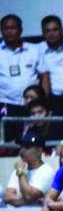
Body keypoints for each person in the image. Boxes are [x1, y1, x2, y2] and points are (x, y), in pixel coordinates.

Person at [0, 14, 49, 142]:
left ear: (20, 30)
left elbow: (44, 75)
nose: (9, 31)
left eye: (13, 28)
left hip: (33, 105)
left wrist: (45, 100)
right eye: (6, 28)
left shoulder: (34, 49)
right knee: (9, 142)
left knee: (33, 139)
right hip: (6, 105)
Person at [4, 132, 55, 207]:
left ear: (39, 151)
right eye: (21, 147)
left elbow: (29, 196)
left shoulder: (47, 171)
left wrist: (20, 171)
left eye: (27, 147)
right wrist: (33, 201)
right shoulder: (19, 168)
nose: (22, 151)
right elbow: (8, 197)